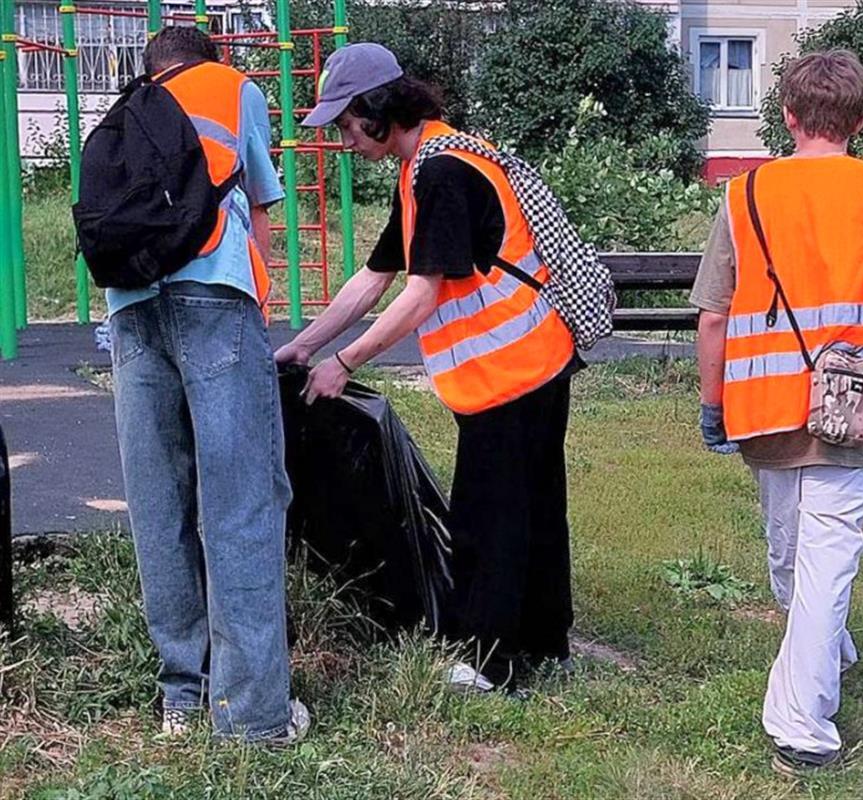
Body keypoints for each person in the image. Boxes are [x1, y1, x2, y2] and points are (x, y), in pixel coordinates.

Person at [275, 43, 581, 692]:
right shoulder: (426, 167)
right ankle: (545, 642)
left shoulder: (442, 175)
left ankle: (492, 664)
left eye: (346, 124)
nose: (344, 139)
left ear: (379, 112)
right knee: (532, 507)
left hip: (513, 368)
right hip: (533, 359)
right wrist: (302, 346)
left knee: (487, 516)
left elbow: (420, 293)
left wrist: (344, 361)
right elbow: (373, 278)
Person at [692, 50, 863, 777]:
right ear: (862, 123)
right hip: (850, 406)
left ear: (789, 118)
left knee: (798, 551)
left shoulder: (744, 195)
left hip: (763, 409)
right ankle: (812, 687)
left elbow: (712, 317)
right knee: (817, 559)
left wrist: (713, 405)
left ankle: (804, 705)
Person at [107, 27, 307, 742]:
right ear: (208, 61)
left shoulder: (124, 109)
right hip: (214, 301)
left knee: (160, 503)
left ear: (154, 67)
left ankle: (181, 700)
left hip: (130, 312)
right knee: (242, 498)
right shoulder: (234, 90)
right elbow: (256, 206)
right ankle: (252, 717)